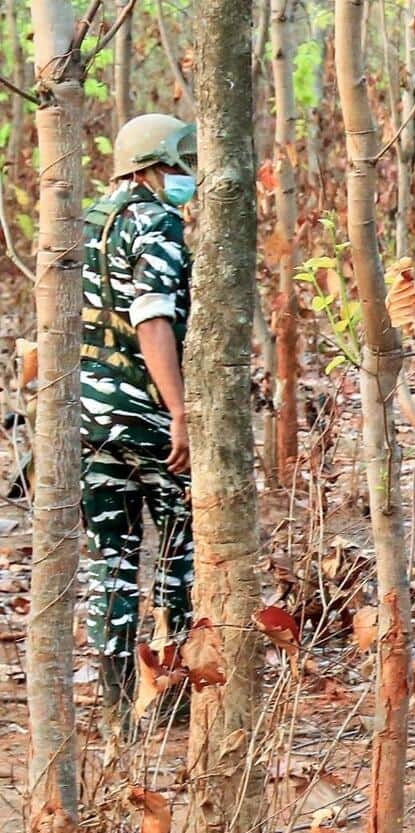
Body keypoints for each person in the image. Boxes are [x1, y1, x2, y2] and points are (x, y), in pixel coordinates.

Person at [82, 113, 198, 725]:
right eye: (185, 161)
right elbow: (153, 318)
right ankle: (177, 696)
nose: (191, 173)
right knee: (181, 551)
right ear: (164, 161)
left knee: (113, 563)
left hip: (90, 420)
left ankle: (117, 707)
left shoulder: (91, 220)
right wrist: (178, 410)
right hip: (149, 414)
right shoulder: (156, 221)